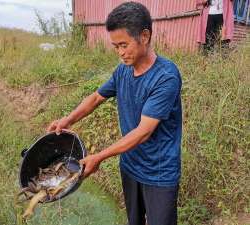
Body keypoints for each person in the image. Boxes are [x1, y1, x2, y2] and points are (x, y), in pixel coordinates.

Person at [46, 2, 182, 225]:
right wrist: (67, 119)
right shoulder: (123, 70)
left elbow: (143, 132)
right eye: (115, 46)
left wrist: (99, 157)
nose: (120, 52)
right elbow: (96, 97)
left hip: (159, 172)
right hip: (130, 165)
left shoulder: (166, 77)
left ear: (145, 36)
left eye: (123, 45)